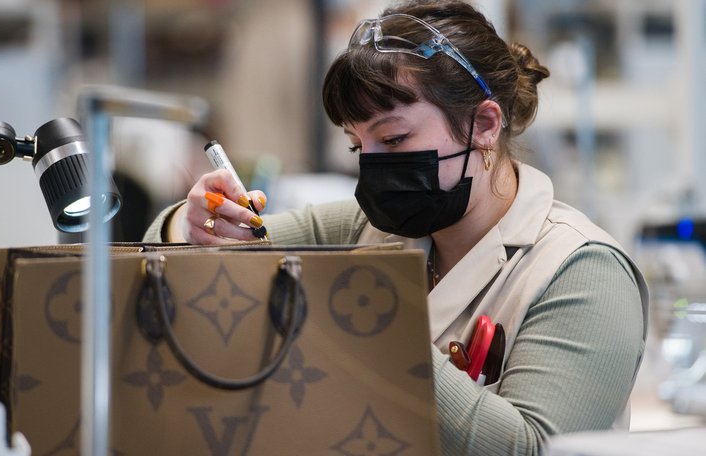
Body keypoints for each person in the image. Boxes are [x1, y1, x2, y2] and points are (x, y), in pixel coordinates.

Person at [143, 0, 649, 454]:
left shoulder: (581, 272)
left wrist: (372, 321)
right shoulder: (367, 230)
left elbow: (530, 448)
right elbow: (174, 259)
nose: (373, 167)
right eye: (357, 145)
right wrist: (197, 222)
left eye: (394, 139)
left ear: (486, 124)